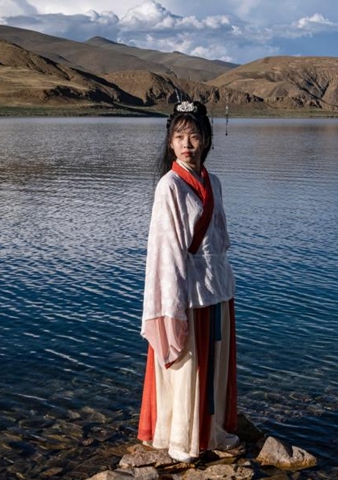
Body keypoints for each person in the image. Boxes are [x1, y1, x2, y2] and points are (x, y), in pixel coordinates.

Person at [137, 100, 239, 463]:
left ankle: (211, 432)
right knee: (188, 366)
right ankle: (182, 439)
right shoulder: (169, 186)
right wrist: (172, 305)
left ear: (206, 139)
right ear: (170, 142)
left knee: (213, 365)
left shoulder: (214, 183)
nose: (187, 144)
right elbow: (166, 252)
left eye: (194, 136)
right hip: (187, 291)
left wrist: (223, 279)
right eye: (179, 137)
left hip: (217, 287)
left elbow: (221, 240)